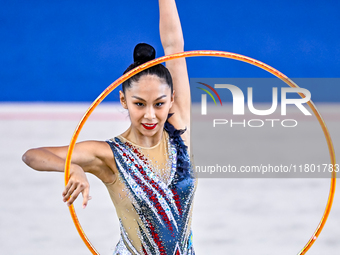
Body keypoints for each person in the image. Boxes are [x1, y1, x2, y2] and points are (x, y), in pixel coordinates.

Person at [22, 0, 196, 254]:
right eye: (139, 104)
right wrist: (71, 166)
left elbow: (174, 46)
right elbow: (32, 155)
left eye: (159, 104)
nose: (150, 115)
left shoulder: (179, 127)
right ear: (124, 101)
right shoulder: (111, 155)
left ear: (171, 100)